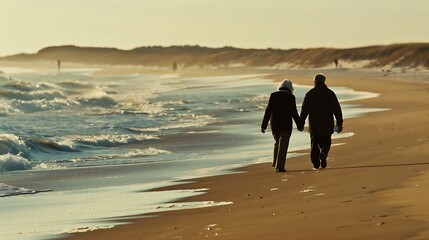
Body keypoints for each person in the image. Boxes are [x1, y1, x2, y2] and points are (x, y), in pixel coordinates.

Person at [300, 73, 343, 170]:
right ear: (324, 82)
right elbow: (337, 109)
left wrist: (301, 123)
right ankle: (323, 153)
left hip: (314, 124)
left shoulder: (310, 94)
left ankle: (316, 164)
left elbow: (304, 110)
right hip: (327, 124)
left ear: (314, 82)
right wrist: (339, 123)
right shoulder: (330, 93)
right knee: (326, 142)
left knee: (314, 144)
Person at [261, 80, 303, 173]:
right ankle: (279, 166)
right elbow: (294, 112)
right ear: (290, 88)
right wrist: (300, 125)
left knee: (277, 142)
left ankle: (276, 162)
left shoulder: (273, 95)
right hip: (286, 124)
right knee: (283, 145)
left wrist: (264, 125)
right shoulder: (291, 97)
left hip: (275, 124)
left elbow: (268, 111)